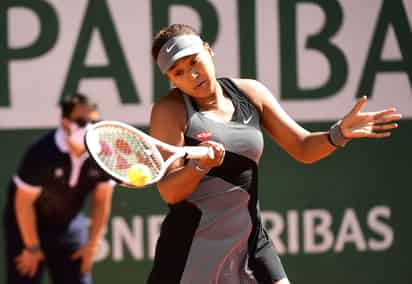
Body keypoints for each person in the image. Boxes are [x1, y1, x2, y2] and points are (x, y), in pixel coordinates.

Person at [147, 24, 402, 284]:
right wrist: (198, 168)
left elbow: (302, 147)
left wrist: (338, 134)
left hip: (251, 245)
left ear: (209, 51)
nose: (191, 74)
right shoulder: (170, 110)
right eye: (179, 72)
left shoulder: (250, 93)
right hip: (191, 254)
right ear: (172, 79)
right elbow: (169, 191)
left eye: (194, 61)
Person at [2, 93, 115, 284]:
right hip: (27, 228)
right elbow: (23, 204)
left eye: (93, 122)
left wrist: (92, 245)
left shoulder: (103, 154)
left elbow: (102, 200)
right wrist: (32, 248)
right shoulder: (41, 153)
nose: (87, 128)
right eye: (80, 121)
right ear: (64, 122)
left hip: (68, 225)